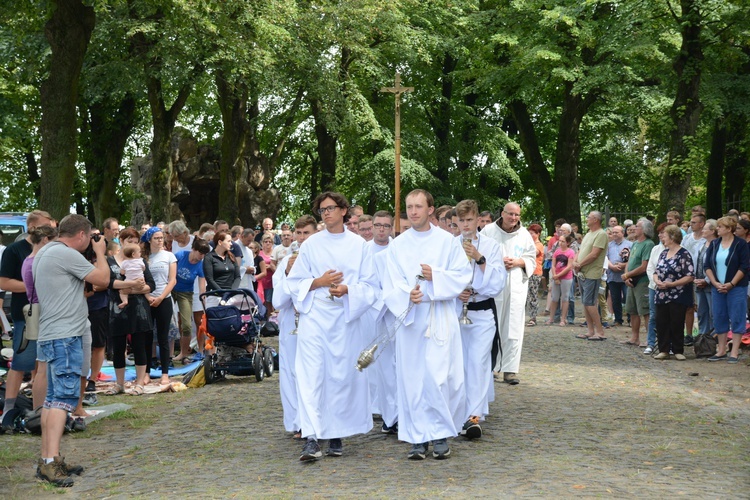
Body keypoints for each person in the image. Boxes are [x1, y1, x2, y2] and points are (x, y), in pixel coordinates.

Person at [287, 191, 376, 461]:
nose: (326, 213)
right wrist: (319, 282)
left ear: (343, 210)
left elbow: (371, 286)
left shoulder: (359, 245)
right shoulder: (312, 245)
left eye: (331, 208)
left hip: (345, 319)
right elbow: (295, 282)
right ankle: (312, 438)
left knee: (340, 376)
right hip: (315, 316)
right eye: (322, 209)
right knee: (311, 374)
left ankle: (336, 433)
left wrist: (348, 289)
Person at [383, 189, 471, 459]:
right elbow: (391, 281)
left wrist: (437, 277)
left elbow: (462, 275)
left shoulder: (447, 241)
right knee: (412, 379)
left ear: (430, 209)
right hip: (411, 318)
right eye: (409, 207)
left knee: (439, 377)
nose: (413, 211)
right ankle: (417, 438)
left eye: (418, 206)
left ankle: (440, 433)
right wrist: (405, 295)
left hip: (439, 316)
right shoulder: (397, 244)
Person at [33, 214, 110, 487]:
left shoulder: (46, 252)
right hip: (65, 337)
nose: (90, 242)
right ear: (81, 235)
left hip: (53, 333)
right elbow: (103, 279)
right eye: (89, 237)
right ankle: (51, 463)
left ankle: (48, 459)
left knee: (53, 400)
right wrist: (101, 253)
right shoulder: (65, 254)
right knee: (63, 399)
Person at [454, 200, 506, 440]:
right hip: (456, 310)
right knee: (458, 363)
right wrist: (456, 290)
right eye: (461, 221)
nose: (466, 225)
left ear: (477, 220)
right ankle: (458, 411)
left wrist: (479, 258)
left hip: (482, 312)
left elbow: (497, 282)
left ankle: (474, 415)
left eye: (470, 220)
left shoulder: (491, 246)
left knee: (478, 362)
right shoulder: (450, 245)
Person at [0, 210, 55, 432]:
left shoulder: (52, 248)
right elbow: (4, 281)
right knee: (22, 361)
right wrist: (33, 286)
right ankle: (9, 410)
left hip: (50, 312)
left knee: (43, 363)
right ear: (31, 227)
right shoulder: (15, 250)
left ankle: (39, 409)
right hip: (26, 313)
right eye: (44, 226)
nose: (49, 231)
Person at [272, 215, 317, 439]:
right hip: (291, 322)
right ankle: (297, 422)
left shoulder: (321, 258)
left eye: (306, 233)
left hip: (315, 321)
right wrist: (289, 274)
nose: (301, 238)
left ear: (315, 233)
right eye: (298, 233)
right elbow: (278, 301)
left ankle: (317, 420)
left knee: (313, 373)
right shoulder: (285, 262)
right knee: (290, 372)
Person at [482, 202, 536, 385]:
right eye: (510, 214)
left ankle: (510, 369)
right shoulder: (488, 232)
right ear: (502, 213)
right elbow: (478, 255)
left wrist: (518, 262)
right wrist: (497, 261)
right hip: (494, 286)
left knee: (513, 326)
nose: (513, 218)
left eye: (517, 215)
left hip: (515, 286)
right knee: (493, 325)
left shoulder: (525, 234)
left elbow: (531, 259)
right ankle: (493, 367)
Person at [107, 227, 155, 394]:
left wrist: (130, 290)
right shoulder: (110, 262)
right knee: (118, 347)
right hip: (118, 310)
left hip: (139, 309)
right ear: (121, 241)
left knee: (140, 345)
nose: (133, 245)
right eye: (130, 241)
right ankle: (119, 383)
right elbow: (109, 283)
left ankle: (140, 382)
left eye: (136, 242)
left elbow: (151, 284)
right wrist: (130, 285)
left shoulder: (141, 261)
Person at [704, 217, 749, 364]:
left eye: (720, 227)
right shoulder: (715, 244)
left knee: (737, 317)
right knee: (719, 316)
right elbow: (707, 266)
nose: (717, 229)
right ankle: (721, 350)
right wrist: (715, 282)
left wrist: (731, 283)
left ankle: (734, 351)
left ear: (729, 229)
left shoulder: (740, 244)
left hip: (736, 287)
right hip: (718, 287)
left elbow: (744, 266)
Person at [652, 225, 694, 360]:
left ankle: (677, 350)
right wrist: (657, 280)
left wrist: (672, 284)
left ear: (672, 237)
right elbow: (656, 271)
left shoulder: (684, 254)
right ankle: (663, 349)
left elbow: (689, 275)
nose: (662, 237)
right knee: (661, 321)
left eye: (664, 235)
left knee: (676, 321)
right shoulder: (663, 253)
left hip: (678, 293)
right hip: (662, 293)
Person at [141, 227, 177, 385]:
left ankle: (165, 373)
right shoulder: (144, 258)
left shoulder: (169, 256)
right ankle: (146, 372)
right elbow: (140, 279)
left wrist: (161, 297)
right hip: (148, 299)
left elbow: (172, 280)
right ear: (149, 240)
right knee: (147, 337)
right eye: (156, 238)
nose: (160, 240)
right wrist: (148, 297)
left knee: (163, 337)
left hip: (164, 298)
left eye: (161, 237)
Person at [172, 238, 209, 363]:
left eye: (204, 254)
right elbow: (169, 272)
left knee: (187, 325)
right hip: (171, 289)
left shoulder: (201, 265)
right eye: (200, 253)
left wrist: (203, 297)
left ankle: (183, 353)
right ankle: (168, 353)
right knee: (169, 321)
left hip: (185, 293)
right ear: (193, 249)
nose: (201, 257)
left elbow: (202, 284)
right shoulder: (180, 255)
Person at [573, 212, 608, 341]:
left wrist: (580, 264)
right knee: (585, 303)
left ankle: (600, 331)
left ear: (595, 220)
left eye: (588, 217)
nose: (587, 219)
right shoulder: (588, 234)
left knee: (590, 303)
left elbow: (594, 254)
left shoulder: (601, 234)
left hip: (592, 274)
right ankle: (590, 330)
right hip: (582, 272)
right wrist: (575, 262)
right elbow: (580, 251)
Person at [621, 218, 655, 346]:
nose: (634, 228)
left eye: (637, 226)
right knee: (633, 310)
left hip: (642, 281)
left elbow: (644, 266)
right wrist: (627, 275)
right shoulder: (635, 244)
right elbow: (629, 262)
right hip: (631, 281)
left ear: (645, 230)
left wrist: (627, 275)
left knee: (645, 311)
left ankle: (649, 339)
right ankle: (635, 337)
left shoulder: (648, 244)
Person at [693, 219, 717, 340]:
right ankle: (702, 338)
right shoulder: (701, 244)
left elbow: (715, 266)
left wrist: (706, 280)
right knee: (702, 312)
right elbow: (696, 262)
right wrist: (696, 279)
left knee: (713, 313)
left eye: (705, 229)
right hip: (698, 283)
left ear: (712, 231)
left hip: (710, 284)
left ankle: (713, 338)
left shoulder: (717, 245)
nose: (702, 230)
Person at [606, 226, 631, 327]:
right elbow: (606, 258)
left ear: (622, 233)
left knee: (627, 297)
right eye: (613, 232)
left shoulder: (630, 245)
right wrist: (611, 266)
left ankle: (630, 319)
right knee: (615, 298)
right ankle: (618, 319)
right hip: (612, 275)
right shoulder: (609, 245)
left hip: (625, 275)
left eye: (616, 232)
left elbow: (633, 259)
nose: (614, 234)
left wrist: (623, 265)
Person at [548, 234, 575, 327]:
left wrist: (558, 275)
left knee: (565, 297)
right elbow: (553, 264)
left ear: (567, 243)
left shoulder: (570, 252)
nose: (561, 243)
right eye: (560, 241)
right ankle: (551, 318)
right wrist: (555, 275)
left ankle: (563, 319)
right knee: (554, 297)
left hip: (566, 277)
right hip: (556, 276)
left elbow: (569, 267)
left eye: (563, 241)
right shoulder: (557, 251)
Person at [525, 223, 544, 327]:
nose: (530, 235)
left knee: (532, 294)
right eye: (529, 233)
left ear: (538, 234)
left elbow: (534, 252)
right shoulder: (529, 243)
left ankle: (533, 317)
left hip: (535, 272)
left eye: (532, 233)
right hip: (527, 271)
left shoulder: (539, 245)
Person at [117, 244, 145, 308]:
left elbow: (122, 272)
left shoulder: (124, 262)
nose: (140, 253)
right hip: (140, 280)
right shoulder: (140, 261)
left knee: (122, 292)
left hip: (129, 281)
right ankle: (148, 297)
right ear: (133, 254)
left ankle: (124, 301)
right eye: (139, 252)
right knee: (145, 289)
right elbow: (143, 268)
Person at [259, 233, 277, 317]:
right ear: (262, 243)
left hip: (272, 280)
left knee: (270, 302)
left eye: (270, 241)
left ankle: (271, 320)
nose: (268, 243)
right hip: (262, 280)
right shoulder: (259, 253)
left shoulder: (275, 252)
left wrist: (269, 266)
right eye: (265, 241)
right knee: (264, 301)